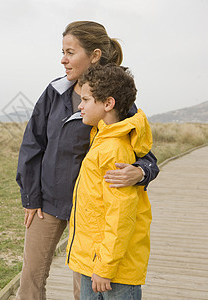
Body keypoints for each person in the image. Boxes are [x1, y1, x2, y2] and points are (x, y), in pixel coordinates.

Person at [15, 21, 159, 300]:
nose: (63, 59)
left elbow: (143, 153)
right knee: (30, 278)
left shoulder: (113, 95)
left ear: (93, 55)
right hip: (48, 201)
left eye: (70, 52)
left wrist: (141, 172)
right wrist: (31, 196)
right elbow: (33, 144)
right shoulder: (54, 92)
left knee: (83, 288)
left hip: (93, 210)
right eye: (62, 51)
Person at [66, 63, 152, 299]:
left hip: (112, 272)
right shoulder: (102, 140)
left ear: (108, 103)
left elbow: (120, 215)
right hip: (93, 263)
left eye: (85, 99)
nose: (80, 106)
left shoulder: (114, 149)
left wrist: (105, 267)